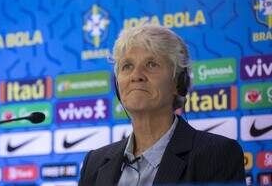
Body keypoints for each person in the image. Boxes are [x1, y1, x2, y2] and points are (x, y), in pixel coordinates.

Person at [78, 25, 245, 186]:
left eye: (151, 64)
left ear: (178, 83)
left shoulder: (217, 155)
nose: (136, 76)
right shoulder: (94, 163)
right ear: (117, 84)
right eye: (127, 66)